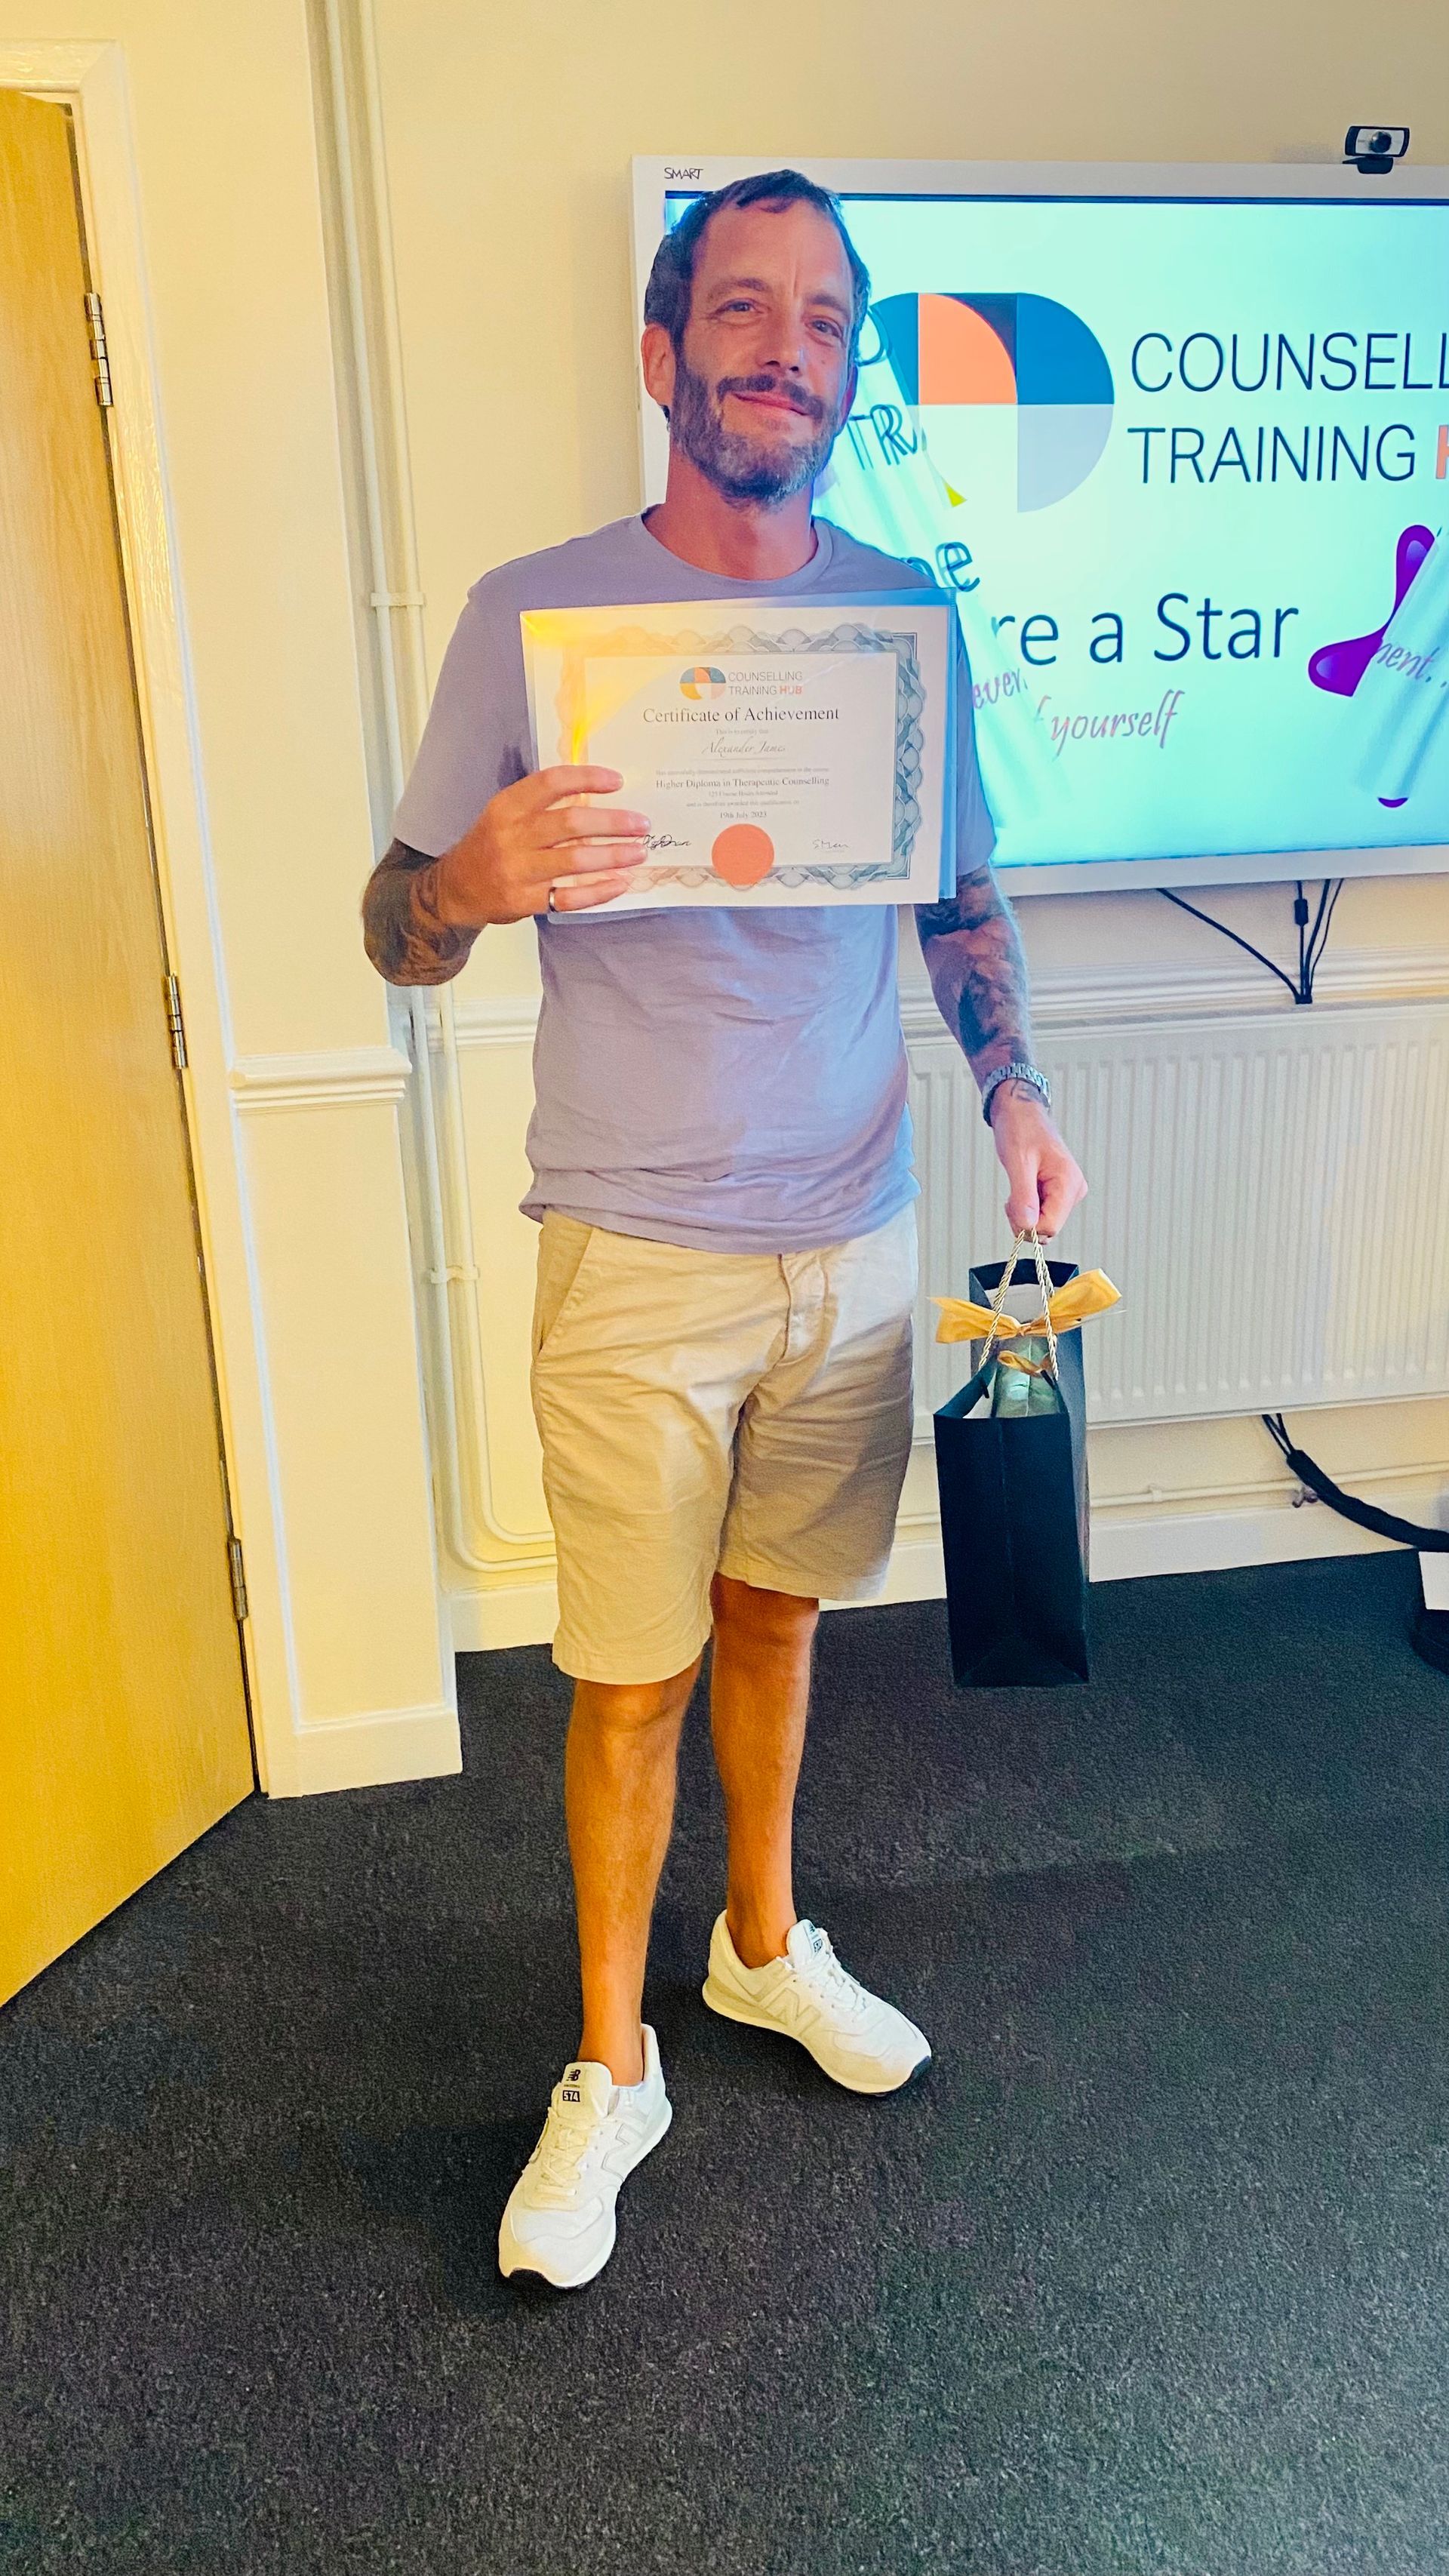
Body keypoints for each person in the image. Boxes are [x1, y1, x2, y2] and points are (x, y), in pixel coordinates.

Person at [363, 170, 1087, 2290]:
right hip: (634, 1247)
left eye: (825, 319)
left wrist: (1016, 1089)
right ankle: (614, 2063)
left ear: (850, 374)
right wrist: (469, 882)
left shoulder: (905, 624)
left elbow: (959, 898)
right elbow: (396, 927)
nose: (788, 348)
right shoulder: (536, 616)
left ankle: (761, 1947)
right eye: (744, 308)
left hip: (851, 1233)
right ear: (662, 352)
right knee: (629, 1677)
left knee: (780, 1623)